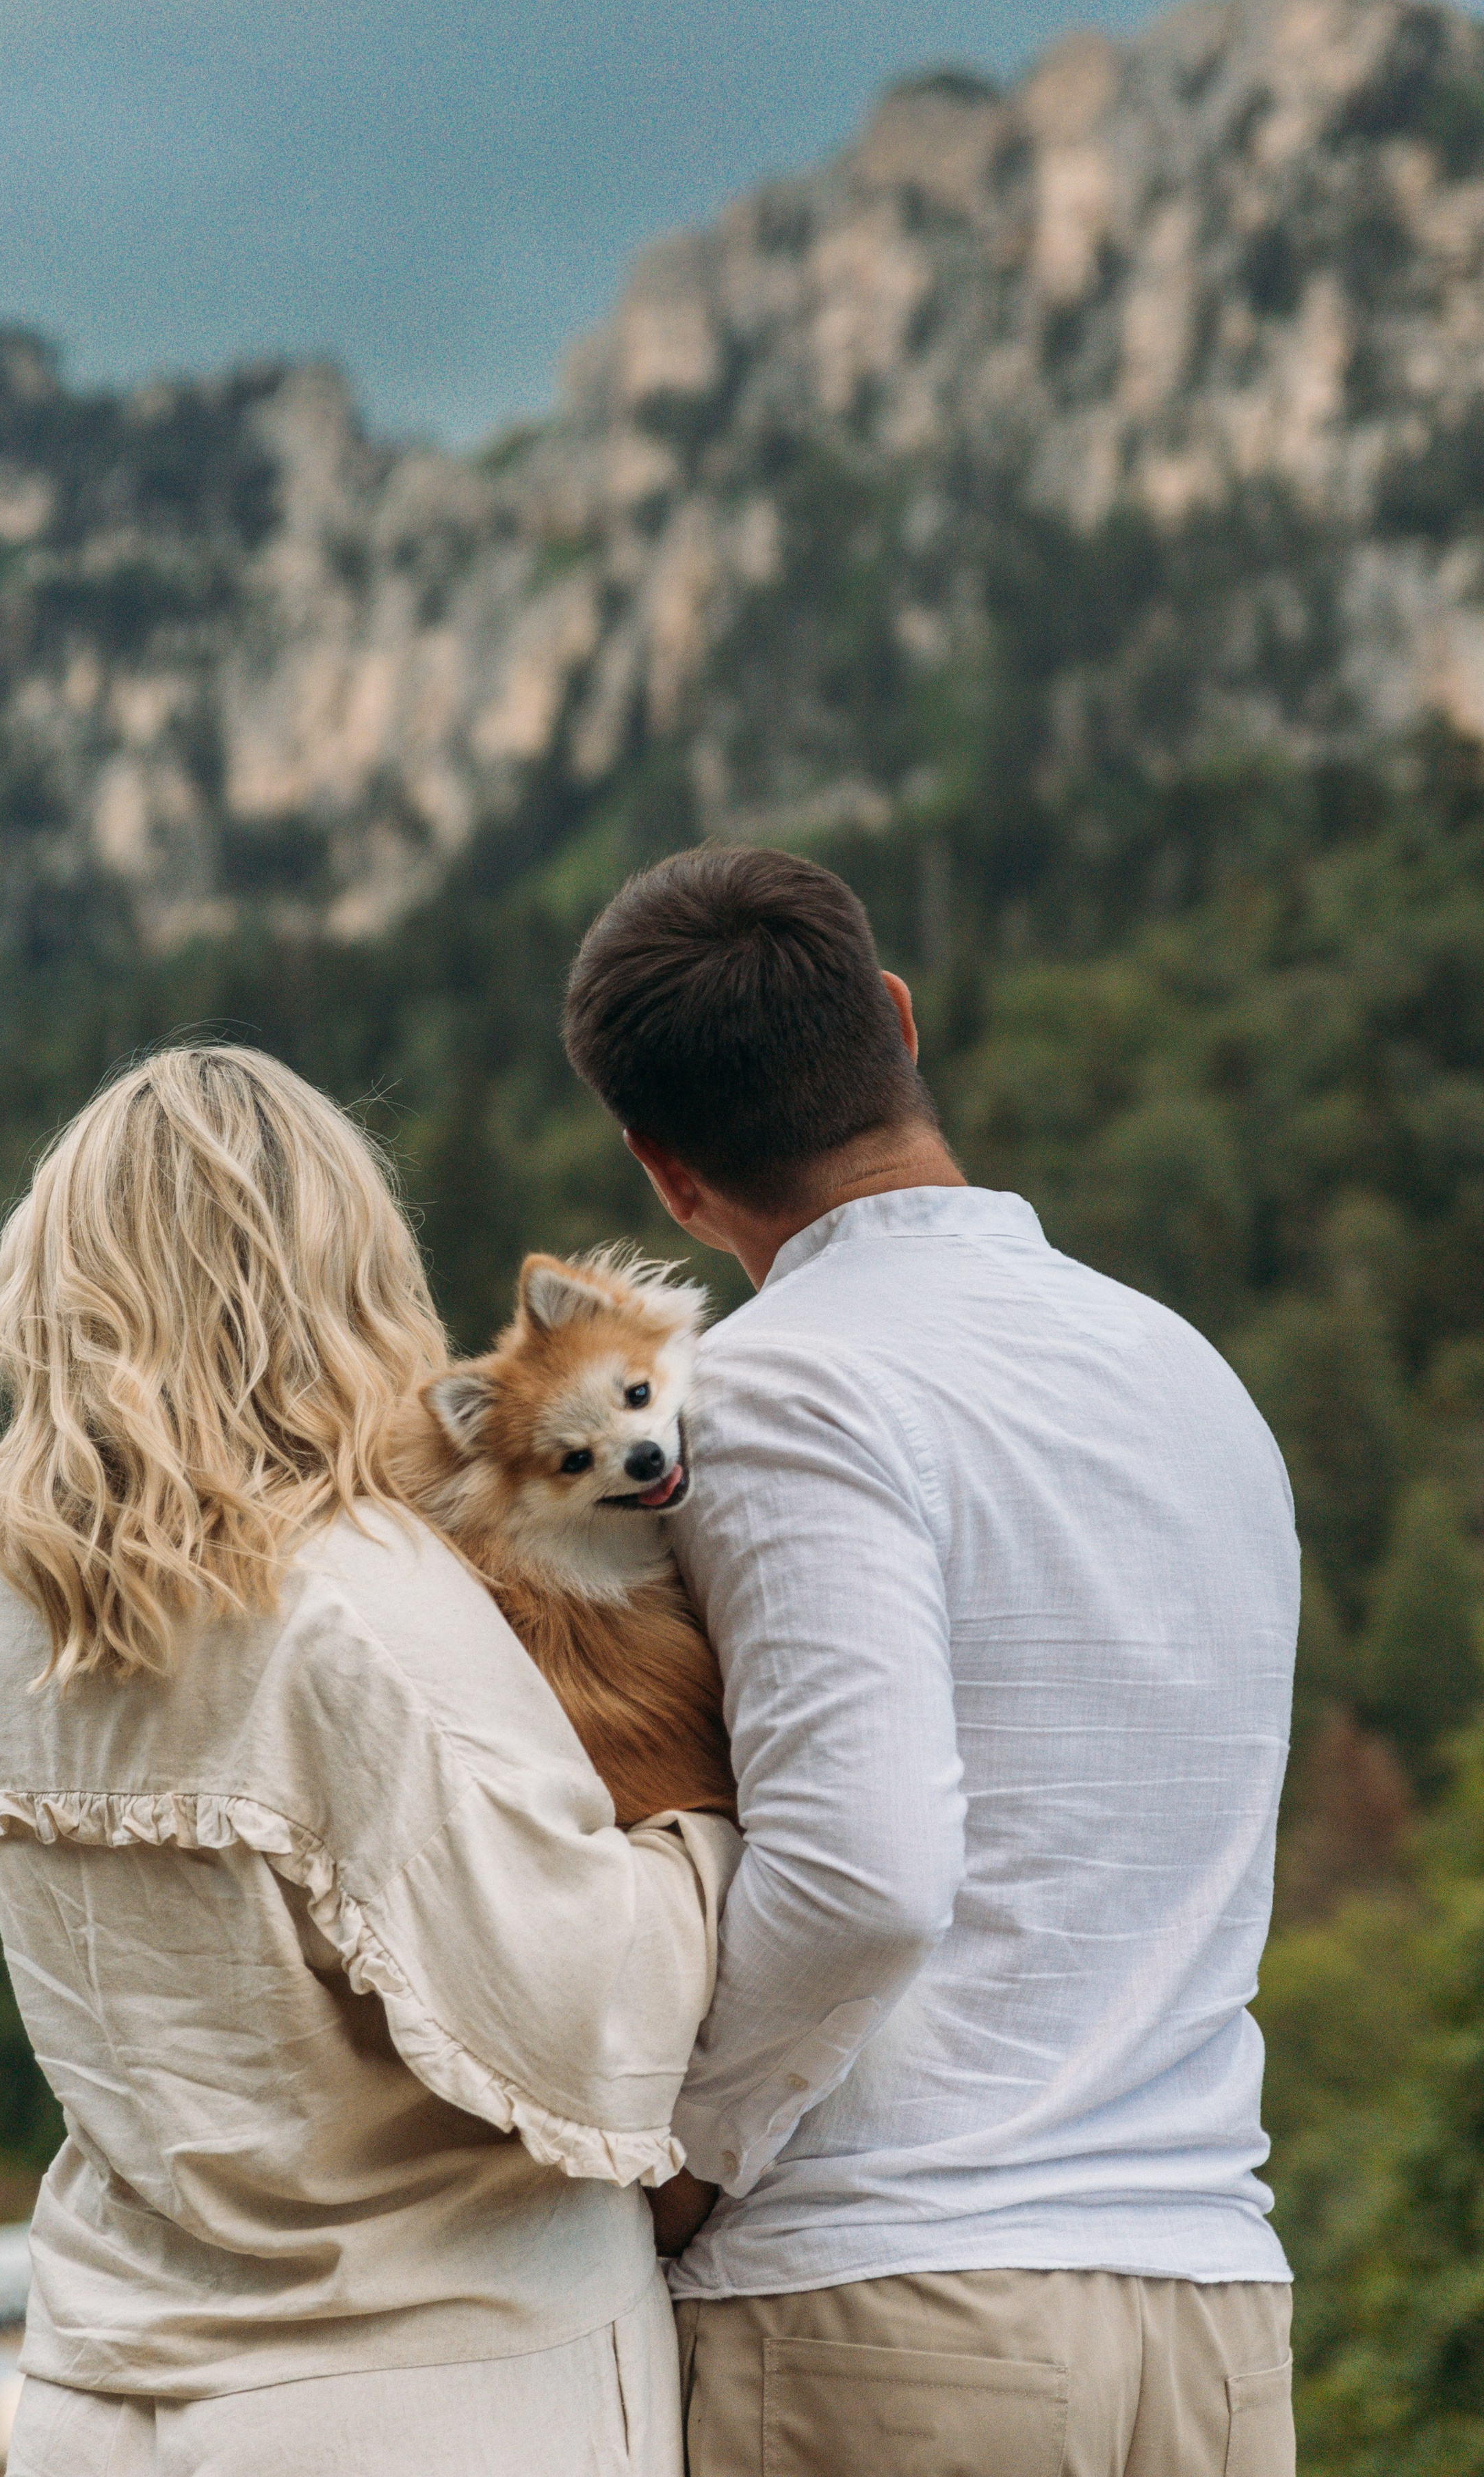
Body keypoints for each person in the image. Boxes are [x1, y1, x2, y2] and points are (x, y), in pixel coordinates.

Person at [563, 847, 1299, 2477]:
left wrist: (681, 2157)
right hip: (1211, 2305)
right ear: (894, 1020)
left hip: (890, 2310)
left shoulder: (771, 1394)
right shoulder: (1184, 1372)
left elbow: (864, 1873)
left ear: (665, 1172)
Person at [0, 1046, 739, 2477]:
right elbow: (583, 2014)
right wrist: (700, 1836)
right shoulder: (359, 1596)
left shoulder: (5, 1602)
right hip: (427, 2391)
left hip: (104, 2391)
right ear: (340, 1267)